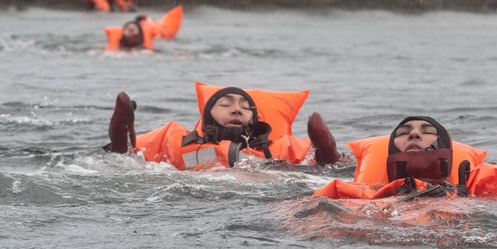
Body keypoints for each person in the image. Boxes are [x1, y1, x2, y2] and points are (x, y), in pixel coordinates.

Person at [311, 115, 497, 204]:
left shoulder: (487, 185)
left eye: (426, 131)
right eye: (403, 133)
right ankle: (328, 158)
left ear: (445, 147)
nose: (414, 133)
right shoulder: (356, 193)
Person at [105, 82, 343, 171]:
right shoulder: (177, 141)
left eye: (244, 106)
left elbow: (332, 168)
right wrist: (123, 142)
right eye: (225, 104)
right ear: (208, 114)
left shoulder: (282, 148)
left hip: (266, 194)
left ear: (254, 118)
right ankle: (122, 129)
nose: (236, 109)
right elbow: (129, 162)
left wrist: (326, 152)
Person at [104, 6, 182, 51]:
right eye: (128, 29)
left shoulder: (147, 50)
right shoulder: (113, 51)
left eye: (133, 30)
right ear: (123, 34)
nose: (130, 29)